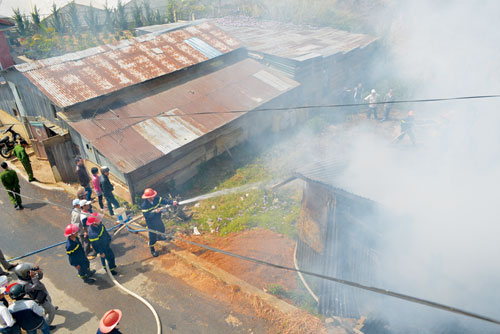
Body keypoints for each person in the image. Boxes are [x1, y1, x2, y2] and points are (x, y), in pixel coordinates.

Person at [141, 188, 177, 257]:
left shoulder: (157, 199)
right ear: (148, 197)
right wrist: (155, 212)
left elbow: (164, 201)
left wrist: (172, 202)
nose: (153, 197)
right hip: (150, 223)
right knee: (152, 237)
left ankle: (159, 237)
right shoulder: (144, 206)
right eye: (152, 196)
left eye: (153, 195)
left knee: (162, 229)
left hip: (157, 219)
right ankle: (152, 250)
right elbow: (147, 216)